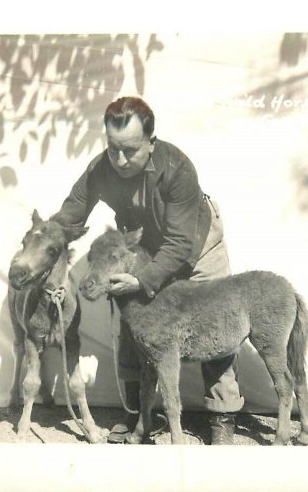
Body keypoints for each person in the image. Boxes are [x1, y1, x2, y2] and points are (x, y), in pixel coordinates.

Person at [51, 96, 243, 444]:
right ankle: (141, 413)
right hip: (145, 247)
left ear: (151, 144)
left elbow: (180, 245)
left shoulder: (179, 169)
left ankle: (222, 414)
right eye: (113, 149)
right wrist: (44, 242)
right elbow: (71, 214)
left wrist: (142, 280)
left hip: (198, 246)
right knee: (134, 323)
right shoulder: (100, 169)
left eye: (131, 150)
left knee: (216, 320)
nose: (120, 160)